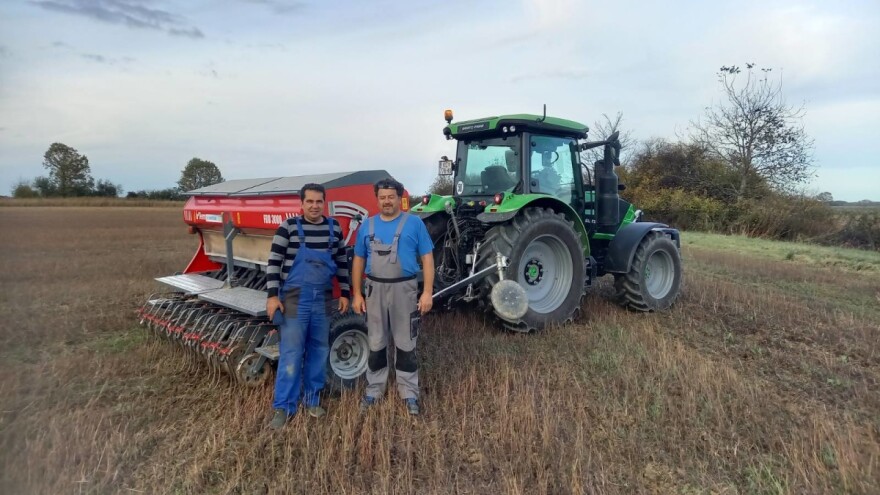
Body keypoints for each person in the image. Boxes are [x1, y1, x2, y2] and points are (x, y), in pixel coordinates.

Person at [265, 183, 350, 429]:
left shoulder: (334, 228)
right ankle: (284, 407)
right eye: (309, 201)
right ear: (301, 203)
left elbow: (341, 262)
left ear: (325, 203)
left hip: (323, 297)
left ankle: (312, 400)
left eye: (319, 201)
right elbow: (274, 262)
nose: (314, 206)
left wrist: (345, 292)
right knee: (291, 352)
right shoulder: (288, 227)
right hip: (294, 296)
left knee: (319, 349)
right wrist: (272, 296)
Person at [351, 177, 434, 415]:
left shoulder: (414, 224)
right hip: (374, 290)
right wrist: (357, 294)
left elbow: (427, 259)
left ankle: (409, 393)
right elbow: (358, 260)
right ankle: (374, 390)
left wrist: (427, 292)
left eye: (391, 197)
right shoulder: (367, 226)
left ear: (399, 198)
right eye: (382, 197)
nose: (387, 201)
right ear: (377, 199)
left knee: (406, 343)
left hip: (404, 290)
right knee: (376, 342)